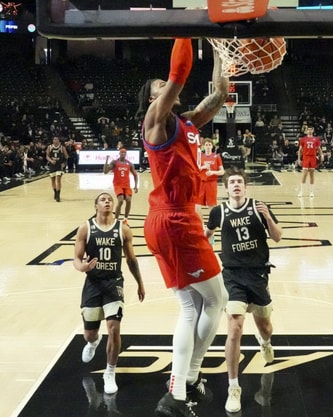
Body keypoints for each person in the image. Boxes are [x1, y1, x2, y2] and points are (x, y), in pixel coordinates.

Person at [136, 37, 229, 417]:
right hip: (174, 219)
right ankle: (185, 381)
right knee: (216, 300)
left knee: (193, 306)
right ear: (152, 98)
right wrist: (186, 29)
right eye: (158, 86)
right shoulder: (154, 121)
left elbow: (219, 95)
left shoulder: (186, 121)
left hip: (170, 219)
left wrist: (224, 53)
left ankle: (178, 391)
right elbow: (179, 71)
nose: (166, 85)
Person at [205, 167, 282, 413]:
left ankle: (265, 342)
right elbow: (206, 237)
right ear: (226, 188)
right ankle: (234, 387)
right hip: (232, 276)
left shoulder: (259, 207)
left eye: (240, 181)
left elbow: (278, 237)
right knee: (234, 328)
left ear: (245, 187)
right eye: (232, 182)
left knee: (265, 326)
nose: (236, 185)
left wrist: (268, 217)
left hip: (257, 274)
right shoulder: (218, 212)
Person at [73, 192, 145, 395]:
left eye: (109, 200)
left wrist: (140, 283)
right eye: (103, 200)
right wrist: (82, 268)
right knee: (89, 333)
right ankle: (93, 342)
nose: (107, 202)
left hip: (114, 283)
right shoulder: (86, 228)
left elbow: (131, 260)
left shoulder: (123, 229)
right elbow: (76, 259)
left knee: (114, 328)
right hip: (93, 283)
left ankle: (109, 372)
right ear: (95, 205)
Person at [103, 147, 139, 222]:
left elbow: (135, 175)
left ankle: (125, 218)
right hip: (118, 184)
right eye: (121, 152)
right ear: (119, 153)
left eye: (124, 152)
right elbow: (105, 171)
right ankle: (116, 219)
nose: (123, 154)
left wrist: (136, 186)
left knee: (128, 200)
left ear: (126, 154)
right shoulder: (114, 162)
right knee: (121, 200)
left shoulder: (129, 163)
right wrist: (106, 161)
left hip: (126, 185)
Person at [198, 138, 224, 227]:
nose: (208, 146)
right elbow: (194, 169)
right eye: (206, 145)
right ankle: (201, 226)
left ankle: (211, 227)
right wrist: (202, 167)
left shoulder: (216, 156)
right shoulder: (199, 156)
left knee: (212, 206)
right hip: (201, 183)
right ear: (203, 146)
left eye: (209, 145)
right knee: (197, 205)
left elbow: (222, 172)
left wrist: (213, 172)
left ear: (212, 146)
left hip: (211, 183)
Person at [297, 126, 322, 198]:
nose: (310, 131)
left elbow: (319, 149)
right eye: (309, 129)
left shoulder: (316, 139)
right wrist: (299, 159)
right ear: (307, 130)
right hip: (306, 157)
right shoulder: (303, 139)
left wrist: (322, 155)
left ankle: (311, 192)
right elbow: (300, 150)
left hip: (313, 157)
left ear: (313, 130)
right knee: (304, 174)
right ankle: (301, 191)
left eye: (311, 129)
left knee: (312, 174)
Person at [47, 135, 69, 202]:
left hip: (59, 165)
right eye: (54, 139)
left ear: (59, 140)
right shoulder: (49, 147)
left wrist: (64, 163)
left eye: (56, 139)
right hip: (52, 165)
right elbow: (47, 156)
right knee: (53, 180)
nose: (55, 140)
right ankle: (55, 192)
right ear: (52, 140)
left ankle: (58, 195)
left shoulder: (62, 147)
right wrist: (51, 160)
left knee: (58, 180)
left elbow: (67, 156)